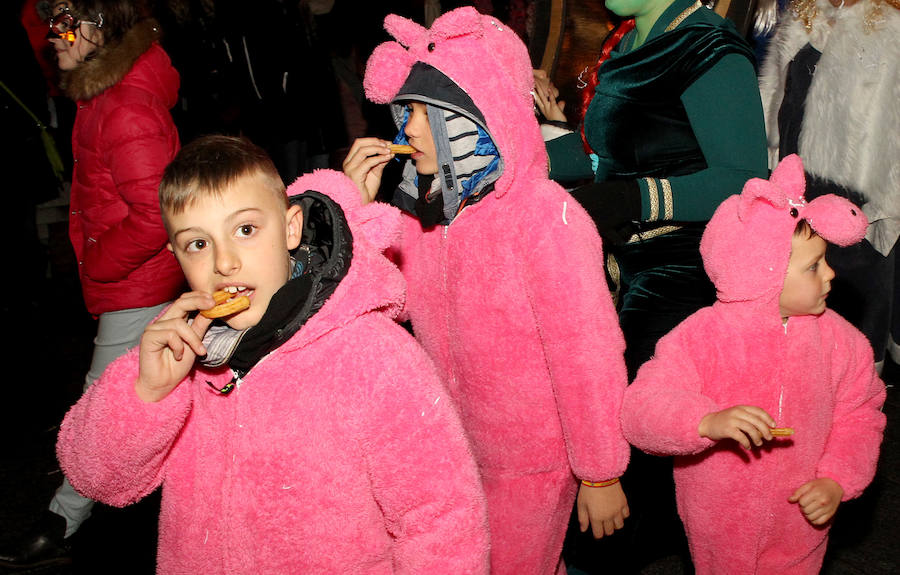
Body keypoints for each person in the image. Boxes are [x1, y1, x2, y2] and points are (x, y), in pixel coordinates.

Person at [53, 135, 491, 573]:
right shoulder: (179, 358)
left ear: (290, 228)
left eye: (245, 230)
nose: (224, 262)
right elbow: (96, 479)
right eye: (198, 244)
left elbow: (442, 521)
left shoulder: (374, 355)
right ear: (176, 257)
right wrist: (147, 392)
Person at [342, 8, 631, 574]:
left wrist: (600, 470)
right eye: (409, 111)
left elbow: (586, 354)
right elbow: (376, 302)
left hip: (531, 464)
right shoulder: (428, 213)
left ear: (486, 116)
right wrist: (355, 210)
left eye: (434, 113)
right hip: (445, 451)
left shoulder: (545, 218)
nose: (412, 130)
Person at [532, 0, 768, 570]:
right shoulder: (631, 36)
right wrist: (506, 160)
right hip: (621, 261)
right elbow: (601, 158)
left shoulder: (709, 48)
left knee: (626, 418)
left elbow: (745, 179)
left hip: (681, 274)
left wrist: (638, 197)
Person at [621, 154, 887, 574]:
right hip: (718, 525)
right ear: (762, 271)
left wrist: (837, 478)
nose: (830, 275)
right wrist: (704, 422)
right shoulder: (701, 337)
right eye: (814, 266)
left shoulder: (843, 343)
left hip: (801, 521)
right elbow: (641, 409)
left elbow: (860, 414)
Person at [0, 0, 184, 569]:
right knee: (159, 390)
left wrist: (100, 262)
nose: (49, 38)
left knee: (98, 411)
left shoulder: (124, 105)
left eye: (61, 23)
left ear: (97, 28)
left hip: (137, 281)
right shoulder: (103, 94)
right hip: (140, 279)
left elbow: (156, 214)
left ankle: (61, 523)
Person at [758, 0, 899, 372]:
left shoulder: (891, 28)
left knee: (851, 348)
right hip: (795, 205)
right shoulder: (803, 17)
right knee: (797, 344)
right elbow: (779, 110)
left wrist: (882, 213)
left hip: (859, 218)